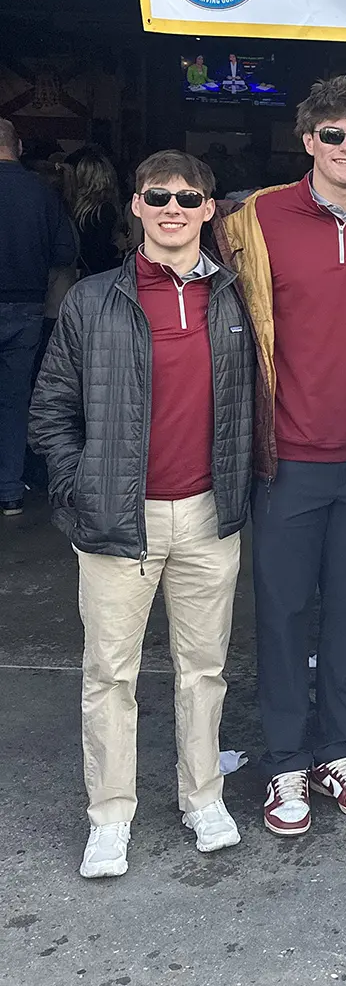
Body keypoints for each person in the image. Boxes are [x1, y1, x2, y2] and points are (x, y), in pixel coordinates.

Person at [28, 150, 254, 878]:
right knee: (111, 676)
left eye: (189, 198)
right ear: (135, 205)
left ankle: (203, 797)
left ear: (208, 210)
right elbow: (51, 411)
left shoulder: (235, 297)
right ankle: (110, 816)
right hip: (117, 519)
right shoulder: (94, 300)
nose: (174, 209)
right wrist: (80, 487)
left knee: (203, 671)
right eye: (159, 196)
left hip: (207, 513)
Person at [213, 76, 346, 837]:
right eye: (332, 135)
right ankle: (286, 763)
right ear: (307, 141)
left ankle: (340, 749)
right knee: (283, 613)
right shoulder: (251, 219)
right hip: (288, 456)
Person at [0, 117, 76, 516]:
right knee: (15, 400)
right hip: (27, 306)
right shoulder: (43, 193)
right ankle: (10, 489)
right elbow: (65, 253)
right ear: (20, 147)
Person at [64, 145, 125, 276]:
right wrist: (118, 247)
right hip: (96, 276)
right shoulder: (103, 210)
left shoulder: (73, 207)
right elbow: (99, 255)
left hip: (74, 273)